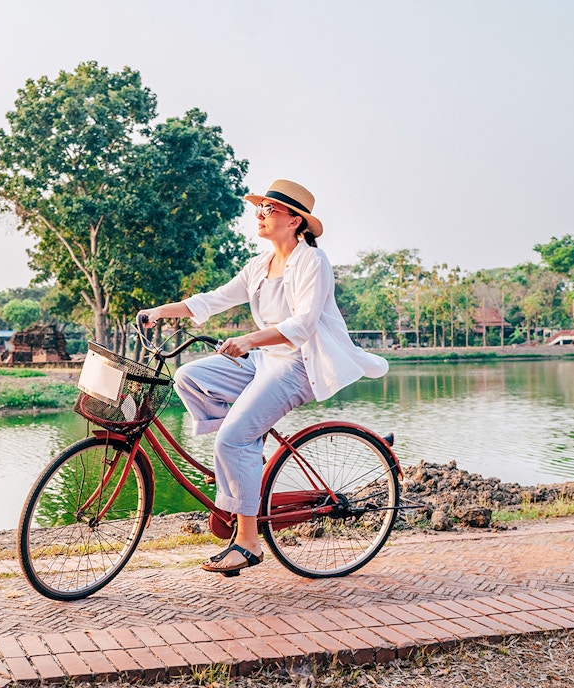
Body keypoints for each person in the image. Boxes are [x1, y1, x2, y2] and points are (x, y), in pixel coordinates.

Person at [138, 179, 389, 575]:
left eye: (269, 209)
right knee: (188, 376)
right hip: (263, 362)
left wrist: (249, 338)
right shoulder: (258, 266)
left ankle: (249, 542)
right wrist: (159, 311)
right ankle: (242, 453)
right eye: (260, 208)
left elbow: (303, 325)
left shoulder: (311, 262)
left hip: (298, 365)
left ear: (295, 221)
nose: (260, 214)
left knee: (232, 439)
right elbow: (212, 300)